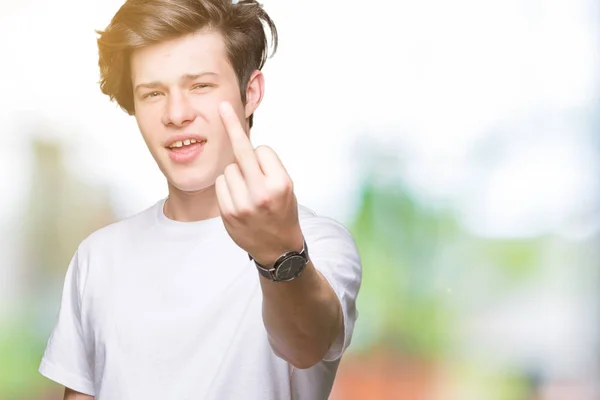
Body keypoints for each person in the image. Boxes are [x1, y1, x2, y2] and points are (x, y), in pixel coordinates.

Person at [38, 0, 362, 399]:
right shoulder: (98, 256)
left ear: (250, 92)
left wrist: (278, 252)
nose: (176, 113)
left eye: (200, 86)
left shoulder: (318, 243)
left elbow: (307, 344)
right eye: (153, 93)